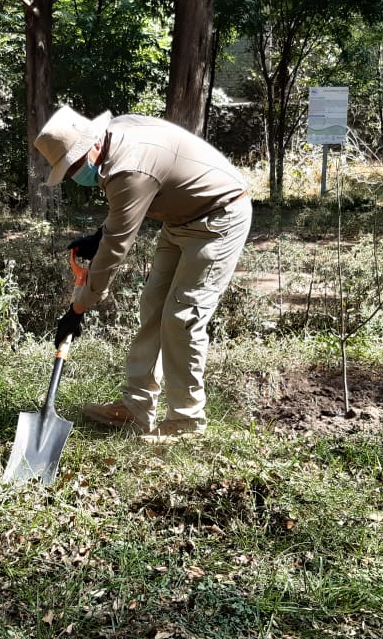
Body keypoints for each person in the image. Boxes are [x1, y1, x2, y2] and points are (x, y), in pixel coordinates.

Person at [34, 106, 251, 445]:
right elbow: (119, 222)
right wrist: (99, 237)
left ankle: (186, 422)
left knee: (183, 314)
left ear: (92, 146)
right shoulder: (115, 138)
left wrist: (77, 309)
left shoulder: (128, 169)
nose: (76, 174)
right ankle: (136, 408)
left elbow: (113, 254)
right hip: (180, 220)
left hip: (219, 216)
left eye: (75, 165)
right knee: (153, 304)